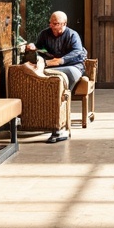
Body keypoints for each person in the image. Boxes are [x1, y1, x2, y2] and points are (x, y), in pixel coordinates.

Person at [26, 10, 87, 142]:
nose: (52, 26)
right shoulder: (45, 33)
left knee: (67, 74)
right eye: (51, 23)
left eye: (56, 24)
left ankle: (61, 108)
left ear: (64, 24)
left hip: (73, 66)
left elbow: (78, 52)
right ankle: (44, 112)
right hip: (52, 66)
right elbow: (39, 47)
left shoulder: (72, 35)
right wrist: (33, 47)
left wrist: (60, 61)